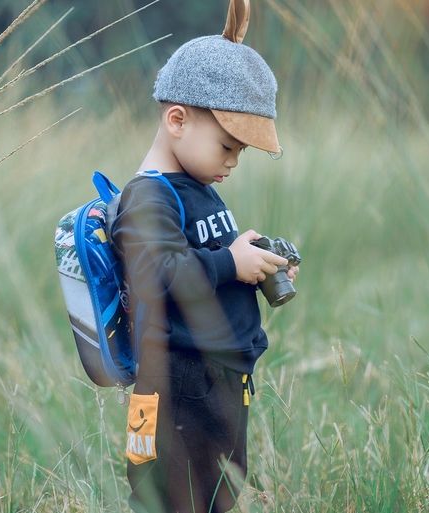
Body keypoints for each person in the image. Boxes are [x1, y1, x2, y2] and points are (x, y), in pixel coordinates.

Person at [110, 2, 298, 511]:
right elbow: (160, 274)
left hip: (220, 382)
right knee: (171, 499)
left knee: (220, 495)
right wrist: (229, 263)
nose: (233, 162)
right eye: (227, 146)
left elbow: (205, 261)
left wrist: (253, 262)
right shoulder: (148, 197)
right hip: (175, 385)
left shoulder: (197, 183)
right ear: (177, 120)